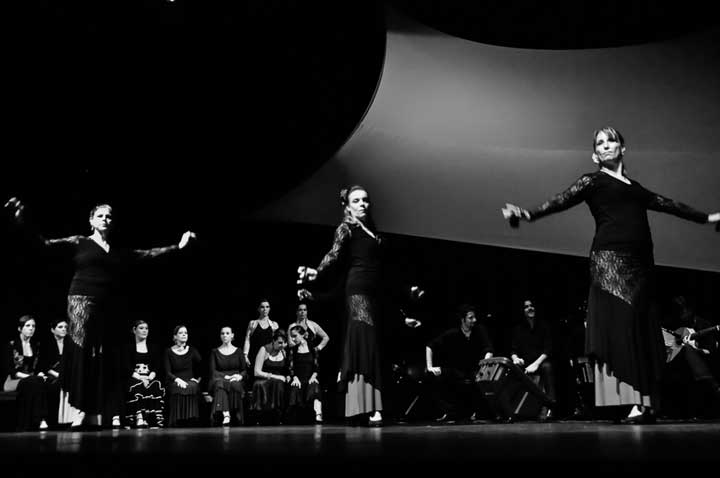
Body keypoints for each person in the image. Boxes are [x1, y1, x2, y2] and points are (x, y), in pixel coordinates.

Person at [502, 126, 720, 423]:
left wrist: (708, 218)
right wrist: (527, 214)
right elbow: (561, 200)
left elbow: (670, 205)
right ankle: (636, 402)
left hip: (641, 264)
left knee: (641, 331)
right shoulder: (592, 181)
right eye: (600, 143)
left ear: (622, 148)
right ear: (594, 155)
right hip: (610, 262)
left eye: (611, 140)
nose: (606, 145)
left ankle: (647, 403)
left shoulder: (635, 188)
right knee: (623, 328)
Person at [3, 198, 196, 427]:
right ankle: (81, 411)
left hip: (107, 307)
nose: (106, 219)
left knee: (103, 358)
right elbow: (44, 244)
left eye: (109, 216)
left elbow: (147, 255)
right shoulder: (80, 242)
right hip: (81, 302)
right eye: (101, 215)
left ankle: (101, 411)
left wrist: (178, 247)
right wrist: (21, 220)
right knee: (83, 354)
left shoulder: (116, 251)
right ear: (91, 220)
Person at [297, 185, 386, 426]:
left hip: (373, 293)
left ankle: (362, 406)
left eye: (365, 200)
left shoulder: (370, 230)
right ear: (347, 205)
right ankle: (372, 408)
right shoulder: (345, 228)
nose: (362, 204)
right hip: (357, 293)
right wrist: (317, 270)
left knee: (368, 343)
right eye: (356, 200)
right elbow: (334, 254)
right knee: (364, 341)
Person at [426, 304, 494, 423]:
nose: (474, 320)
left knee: (482, 380)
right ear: (463, 320)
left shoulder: (479, 330)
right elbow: (430, 346)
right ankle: (450, 413)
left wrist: (486, 359)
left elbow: (489, 348)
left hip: (476, 369)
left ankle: (481, 412)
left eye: (474, 317)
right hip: (457, 369)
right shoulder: (453, 333)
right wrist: (430, 366)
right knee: (434, 376)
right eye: (470, 318)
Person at [664, 295, 720, 417]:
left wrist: (700, 349)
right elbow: (673, 347)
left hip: (705, 359)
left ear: (690, 310)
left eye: (684, 310)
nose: (682, 314)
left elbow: (711, 348)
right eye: (680, 311)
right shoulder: (678, 328)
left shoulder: (703, 324)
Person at [510, 300, 556, 421]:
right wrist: (516, 359)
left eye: (532, 306)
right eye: (526, 307)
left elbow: (548, 349)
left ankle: (550, 406)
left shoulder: (543, 326)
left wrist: (535, 364)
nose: (530, 308)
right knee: (513, 370)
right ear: (523, 311)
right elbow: (513, 350)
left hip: (539, 362)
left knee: (547, 367)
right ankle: (516, 411)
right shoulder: (518, 329)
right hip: (525, 363)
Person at [3, 315, 49, 431]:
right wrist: (30, 377)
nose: (31, 328)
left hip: (31, 380)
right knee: (34, 381)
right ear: (20, 328)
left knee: (41, 381)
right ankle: (41, 419)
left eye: (33, 326)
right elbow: (11, 371)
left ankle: (36, 420)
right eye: (27, 326)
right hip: (13, 381)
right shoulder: (12, 345)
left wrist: (39, 374)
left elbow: (39, 366)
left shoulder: (36, 345)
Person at [122, 320, 165, 429]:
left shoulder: (153, 348)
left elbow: (157, 366)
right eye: (141, 328)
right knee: (136, 386)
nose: (144, 330)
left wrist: (150, 377)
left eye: (146, 328)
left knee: (156, 385)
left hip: (149, 378)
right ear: (134, 330)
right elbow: (126, 367)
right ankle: (139, 416)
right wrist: (141, 378)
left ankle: (152, 419)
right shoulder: (128, 347)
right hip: (134, 377)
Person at [38, 319, 81, 428]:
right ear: (53, 330)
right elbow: (44, 366)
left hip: (67, 376)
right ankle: (52, 420)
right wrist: (59, 375)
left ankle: (73, 418)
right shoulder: (47, 345)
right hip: (52, 375)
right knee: (54, 387)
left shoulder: (70, 343)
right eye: (60, 327)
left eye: (66, 327)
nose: (64, 329)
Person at [164, 325, 203, 427]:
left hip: (189, 379)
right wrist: (177, 379)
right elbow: (167, 372)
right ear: (175, 336)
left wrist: (198, 379)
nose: (184, 334)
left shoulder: (192, 350)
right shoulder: (168, 352)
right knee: (178, 387)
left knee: (192, 386)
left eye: (185, 332)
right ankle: (177, 420)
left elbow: (202, 366)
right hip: (174, 380)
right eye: (181, 333)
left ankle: (191, 419)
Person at [208, 326, 247, 426]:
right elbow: (213, 371)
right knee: (219, 384)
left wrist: (240, 376)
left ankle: (236, 415)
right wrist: (226, 377)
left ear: (232, 335)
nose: (225, 335)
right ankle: (226, 414)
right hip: (220, 378)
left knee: (234, 384)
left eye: (227, 333)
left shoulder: (238, 351)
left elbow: (244, 370)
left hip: (235, 378)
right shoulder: (215, 352)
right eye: (222, 333)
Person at [287, 324, 323, 424]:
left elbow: (316, 366)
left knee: (314, 385)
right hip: (298, 378)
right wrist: (294, 378)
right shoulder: (293, 350)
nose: (293, 339)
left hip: (310, 377)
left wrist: (314, 376)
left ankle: (318, 414)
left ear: (302, 335)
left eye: (295, 336)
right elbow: (290, 367)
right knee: (294, 387)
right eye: (292, 336)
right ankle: (292, 417)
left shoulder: (312, 348)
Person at [243, 300, 279, 369]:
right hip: (254, 357)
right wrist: (245, 355)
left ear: (269, 309)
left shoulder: (274, 325)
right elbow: (247, 340)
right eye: (262, 307)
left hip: (268, 358)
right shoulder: (253, 323)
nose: (265, 309)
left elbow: (277, 342)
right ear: (258, 309)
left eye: (267, 307)